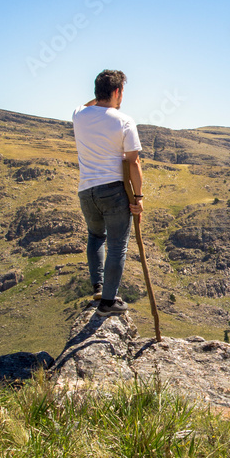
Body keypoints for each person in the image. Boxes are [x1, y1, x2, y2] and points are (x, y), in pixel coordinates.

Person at [72, 69, 144, 317]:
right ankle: (108, 302)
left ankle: (98, 288)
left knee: (95, 235)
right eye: (121, 91)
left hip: (86, 191)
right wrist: (138, 198)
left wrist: (101, 99)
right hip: (113, 190)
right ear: (117, 91)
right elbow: (133, 163)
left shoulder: (79, 115)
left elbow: (87, 105)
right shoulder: (124, 121)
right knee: (117, 247)